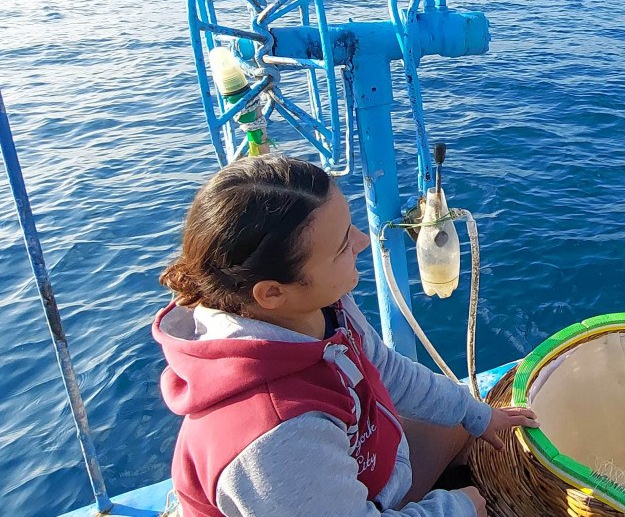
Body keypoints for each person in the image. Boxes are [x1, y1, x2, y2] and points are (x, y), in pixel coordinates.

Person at [152, 155, 538, 517]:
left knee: (468, 424)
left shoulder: (318, 309)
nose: (362, 241)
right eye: (341, 247)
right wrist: (458, 508)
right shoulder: (276, 439)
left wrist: (477, 414)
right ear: (272, 292)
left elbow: (385, 367)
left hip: (374, 473)